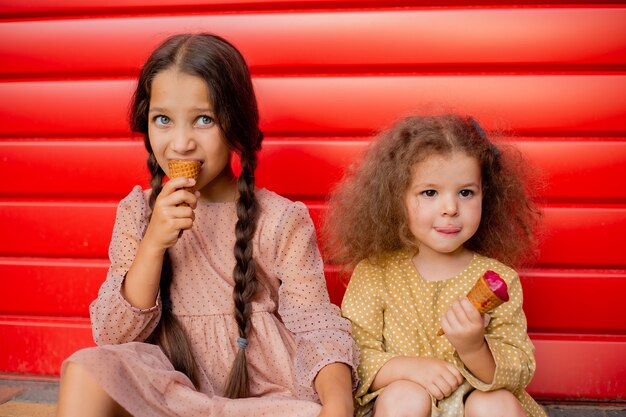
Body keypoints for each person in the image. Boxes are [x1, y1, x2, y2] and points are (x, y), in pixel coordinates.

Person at [56, 33, 356, 417]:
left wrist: (337, 406)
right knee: (85, 368)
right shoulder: (138, 213)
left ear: (234, 124)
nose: (181, 144)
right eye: (163, 119)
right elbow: (112, 337)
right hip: (172, 397)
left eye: (203, 119)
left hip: (263, 401)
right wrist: (153, 244)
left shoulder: (280, 220)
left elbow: (317, 327)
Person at [323, 115, 547, 417]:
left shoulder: (497, 279)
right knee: (405, 396)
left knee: (495, 403)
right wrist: (411, 369)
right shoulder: (375, 274)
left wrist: (473, 348)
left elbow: (520, 368)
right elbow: (352, 358)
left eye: (466, 192)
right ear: (396, 199)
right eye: (430, 193)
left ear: (485, 195)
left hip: (474, 402)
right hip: (402, 402)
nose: (451, 208)